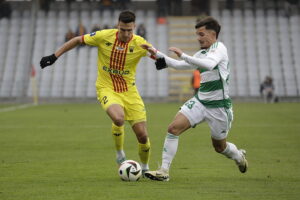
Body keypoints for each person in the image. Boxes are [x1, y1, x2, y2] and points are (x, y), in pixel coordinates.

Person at [40, 10, 153, 174]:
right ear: (117, 26)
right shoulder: (104, 36)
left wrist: (160, 61)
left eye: (129, 30)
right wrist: (54, 56)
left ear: (134, 27)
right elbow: (78, 39)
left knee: (142, 136)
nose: (126, 33)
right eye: (123, 29)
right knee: (118, 117)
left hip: (130, 92)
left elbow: (156, 54)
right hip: (106, 87)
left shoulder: (140, 43)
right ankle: (120, 153)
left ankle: (145, 169)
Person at [141, 16, 248, 181]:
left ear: (213, 34)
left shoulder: (220, 49)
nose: (198, 38)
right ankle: (164, 171)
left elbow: (209, 64)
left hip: (219, 107)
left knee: (219, 147)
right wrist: (155, 53)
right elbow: (177, 65)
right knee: (173, 129)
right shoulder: (202, 53)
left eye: (201, 34)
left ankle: (238, 156)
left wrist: (183, 55)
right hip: (200, 102)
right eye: (197, 34)